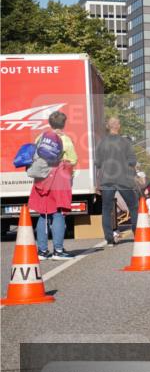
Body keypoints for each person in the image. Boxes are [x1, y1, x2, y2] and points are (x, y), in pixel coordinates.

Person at [29, 111, 78, 260]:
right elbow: (73, 160)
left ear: (50, 123)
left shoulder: (41, 138)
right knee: (58, 213)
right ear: (64, 124)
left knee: (43, 213)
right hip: (58, 180)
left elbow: (34, 156)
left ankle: (42, 251)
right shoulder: (66, 140)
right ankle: (58, 250)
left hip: (41, 179)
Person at [95, 116, 139, 245]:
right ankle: (137, 233)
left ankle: (109, 238)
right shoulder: (125, 142)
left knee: (106, 209)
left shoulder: (101, 143)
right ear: (118, 126)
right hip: (123, 179)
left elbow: (97, 163)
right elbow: (132, 161)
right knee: (133, 207)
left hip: (107, 179)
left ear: (107, 127)